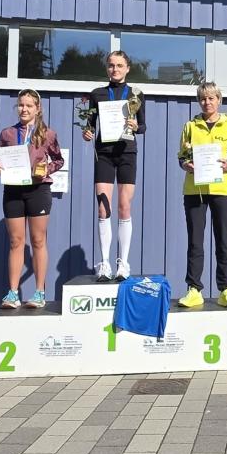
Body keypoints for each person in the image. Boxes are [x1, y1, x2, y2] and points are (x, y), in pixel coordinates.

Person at [0, 89, 64, 309]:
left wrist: (46, 169)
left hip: (38, 190)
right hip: (13, 191)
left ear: (37, 108)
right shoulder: (7, 133)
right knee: (16, 242)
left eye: (29, 105)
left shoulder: (48, 134)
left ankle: (39, 292)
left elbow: (58, 160)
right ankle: (13, 293)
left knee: (38, 240)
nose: (24, 109)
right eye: (21, 105)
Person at [177, 82, 227, 308]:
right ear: (199, 101)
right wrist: (186, 165)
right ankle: (194, 289)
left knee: (224, 241)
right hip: (194, 191)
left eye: (211, 98)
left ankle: (226, 290)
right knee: (195, 241)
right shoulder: (190, 126)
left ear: (219, 100)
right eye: (203, 99)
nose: (207, 102)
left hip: (222, 191)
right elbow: (181, 157)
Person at [82, 51, 146, 282]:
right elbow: (89, 125)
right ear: (106, 68)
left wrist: (135, 126)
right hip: (104, 154)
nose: (115, 69)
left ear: (127, 68)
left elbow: (143, 126)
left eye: (119, 65)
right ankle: (105, 263)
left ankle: (123, 264)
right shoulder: (97, 94)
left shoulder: (136, 94)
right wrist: (87, 132)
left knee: (124, 206)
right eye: (111, 65)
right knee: (103, 208)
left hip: (127, 152)